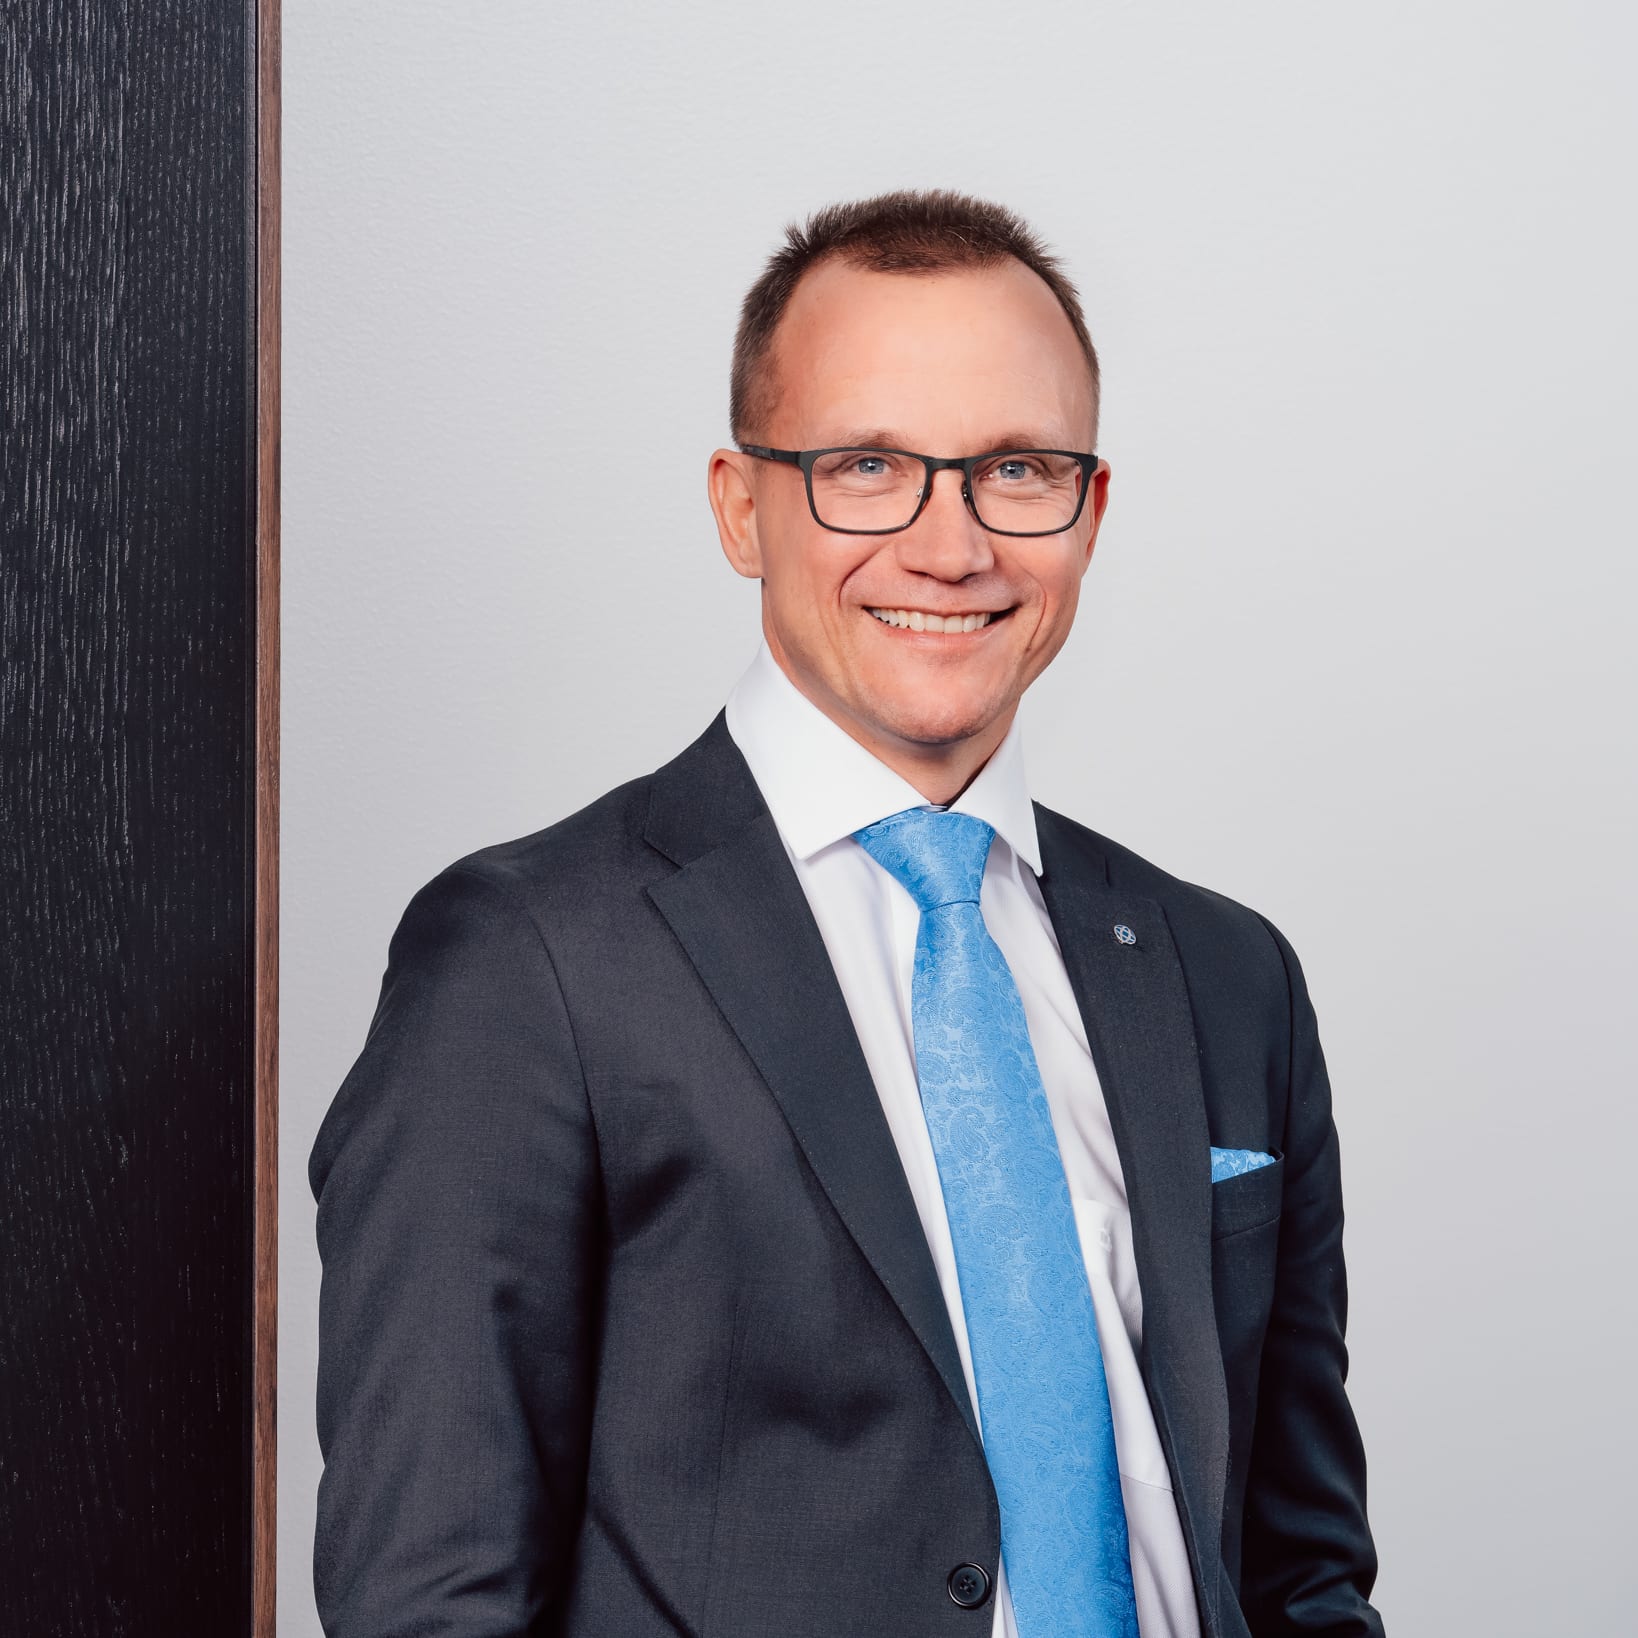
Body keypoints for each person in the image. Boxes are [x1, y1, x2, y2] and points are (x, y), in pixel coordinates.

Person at [310, 189, 1384, 1638]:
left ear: (1089, 512)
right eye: (867, 466)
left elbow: (1303, 1569)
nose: (950, 546)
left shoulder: (1226, 972)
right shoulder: (528, 961)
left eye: (1016, 468)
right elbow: (430, 1599)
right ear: (738, 506)